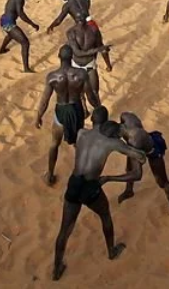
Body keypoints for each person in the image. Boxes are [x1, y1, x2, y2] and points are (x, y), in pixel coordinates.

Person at [52, 113, 145, 281]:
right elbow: (140, 157)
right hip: (91, 187)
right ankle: (111, 251)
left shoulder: (81, 133)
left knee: (64, 230)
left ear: (94, 121)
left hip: (74, 184)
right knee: (105, 216)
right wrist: (132, 140)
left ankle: (56, 267)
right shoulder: (112, 142)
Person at [36, 45, 102, 186]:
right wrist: (98, 108)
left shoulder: (52, 77)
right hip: (76, 109)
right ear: (72, 57)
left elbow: (44, 101)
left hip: (61, 111)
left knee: (54, 144)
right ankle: (83, 174)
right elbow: (90, 96)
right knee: (78, 142)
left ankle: (50, 175)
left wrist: (38, 116)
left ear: (59, 57)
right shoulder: (81, 74)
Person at [115, 112, 169, 211]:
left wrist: (109, 178)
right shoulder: (126, 117)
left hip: (152, 150)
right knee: (129, 168)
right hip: (141, 143)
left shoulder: (133, 140)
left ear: (117, 134)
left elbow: (137, 174)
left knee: (162, 181)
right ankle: (129, 190)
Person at [0, 0, 51, 72]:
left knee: (11, 35)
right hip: (8, 23)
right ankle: (26, 68)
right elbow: (21, 14)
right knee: (25, 42)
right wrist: (32, 24)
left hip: (4, 19)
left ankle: (2, 50)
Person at [66, 10, 112, 98]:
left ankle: (86, 110)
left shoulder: (71, 32)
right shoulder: (93, 30)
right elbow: (101, 47)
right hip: (89, 64)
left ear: (75, 19)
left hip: (77, 65)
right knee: (94, 92)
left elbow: (78, 52)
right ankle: (96, 109)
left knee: (82, 93)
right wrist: (108, 64)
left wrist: (100, 49)